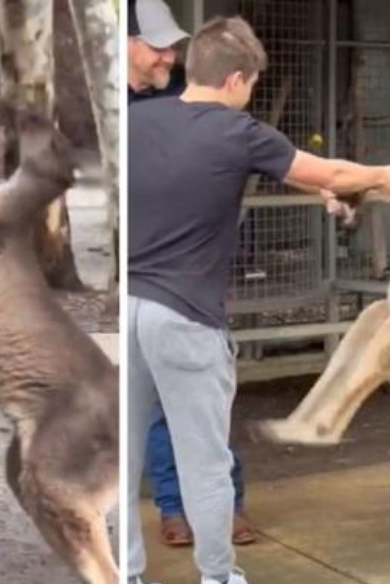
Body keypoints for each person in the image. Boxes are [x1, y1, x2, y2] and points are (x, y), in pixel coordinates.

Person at [126, 15, 390, 584]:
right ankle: (217, 582)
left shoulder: (136, 119)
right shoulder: (236, 129)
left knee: (117, 459)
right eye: (251, 85)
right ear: (235, 79)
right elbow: (331, 172)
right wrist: (386, 177)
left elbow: (217, 171)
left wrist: (325, 191)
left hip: (124, 311)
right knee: (203, 457)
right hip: (186, 315)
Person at [127, 0, 255, 548]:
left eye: (173, 46)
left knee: (198, 404)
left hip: (187, 276)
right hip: (148, 281)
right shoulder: (125, 111)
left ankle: (218, 508)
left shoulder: (172, 96)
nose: (168, 56)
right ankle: (180, 513)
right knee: (159, 404)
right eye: (156, 45)